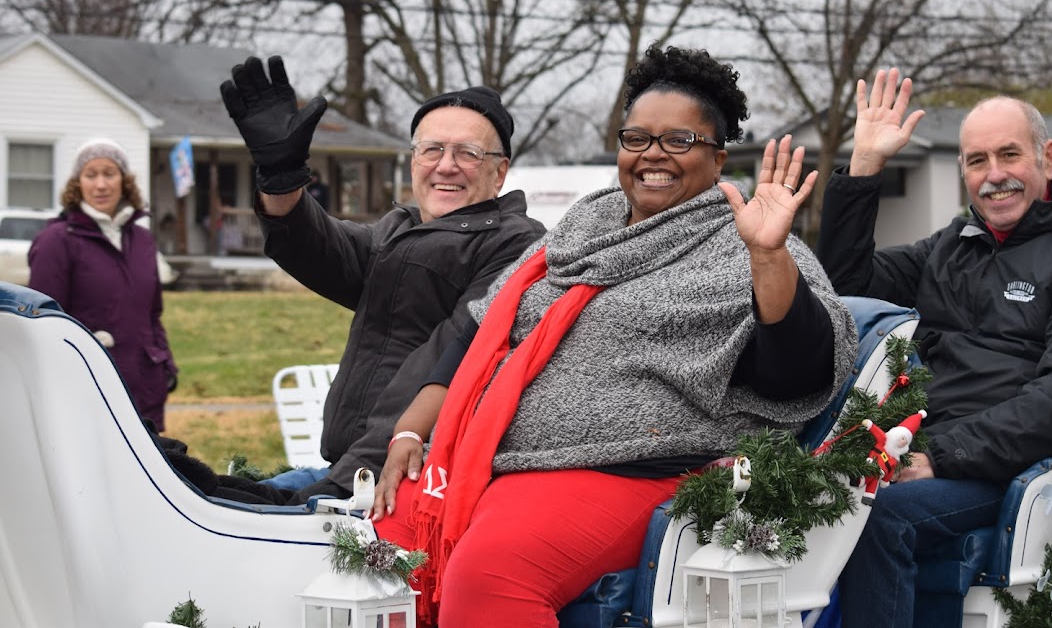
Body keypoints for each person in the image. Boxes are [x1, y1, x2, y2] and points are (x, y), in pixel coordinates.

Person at [368, 43, 859, 627]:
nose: (653, 154)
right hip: (495, 458)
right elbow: (477, 337)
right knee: (382, 557)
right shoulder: (576, 232)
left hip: (638, 470)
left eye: (679, 140)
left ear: (718, 158)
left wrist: (768, 257)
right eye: (637, 138)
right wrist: (410, 432)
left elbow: (794, 375)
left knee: (491, 577)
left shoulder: (749, 245)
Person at [817, 68, 1052, 628]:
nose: (995, 175)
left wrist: (940, 456)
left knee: (879, 517)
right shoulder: (953, 245)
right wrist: (864, 166)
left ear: (1048, 159)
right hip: (920, 444)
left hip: (1016, 470)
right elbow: (845, 288)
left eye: (1009, 155)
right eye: (976, 161)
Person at [220, 56, 546, 503]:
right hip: (347, 468)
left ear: (500, 172)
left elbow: (448, 359)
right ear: (413, 161)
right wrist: (281, 180)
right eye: (432, 149)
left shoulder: (514, 245)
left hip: (408, 481)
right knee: (200, 494)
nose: (445, 166)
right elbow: (317, 248)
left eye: (468, 153)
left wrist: (346, 482)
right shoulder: (399, 230)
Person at [28, 138, 179, 430]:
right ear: (78, 183)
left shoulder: (142, 240)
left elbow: (152, 314)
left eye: (109, 173)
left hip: (143, 390)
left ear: (124, 181)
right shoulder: (56, 241)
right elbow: (42, 324)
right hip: (86, 389)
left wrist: (165, 365)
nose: (100, 185)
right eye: (91, 174)